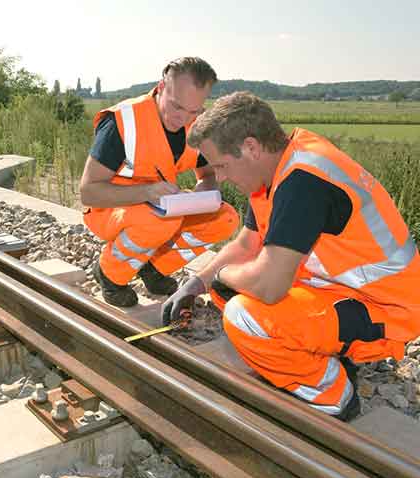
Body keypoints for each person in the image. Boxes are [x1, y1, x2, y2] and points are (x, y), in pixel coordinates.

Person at [161, 91, 420, 421]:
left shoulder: (304, 181)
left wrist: (222, 276)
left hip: (386, 308)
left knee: (243, 312)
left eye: (222, 166)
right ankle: (319, 354)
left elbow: (270, 286)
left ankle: (332, 394)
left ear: (251, 147)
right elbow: (245, 245)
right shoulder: (274, 172)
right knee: (226, 283)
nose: (221, 177)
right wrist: (197, 283)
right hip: (340, 291)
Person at [80, 57, 238, 307]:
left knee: (225, 218)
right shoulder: (122, 121)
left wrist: (201, 197)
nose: (183, 119)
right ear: (161, 87)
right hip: (108, 209)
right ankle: (110, 274)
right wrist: (149, 192)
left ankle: (153, 268)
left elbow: (207, 174)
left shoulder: (198, 125)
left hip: (159, 206)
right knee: (161, 222)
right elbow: (88, 193)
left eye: (193, 111)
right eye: (176, 107)